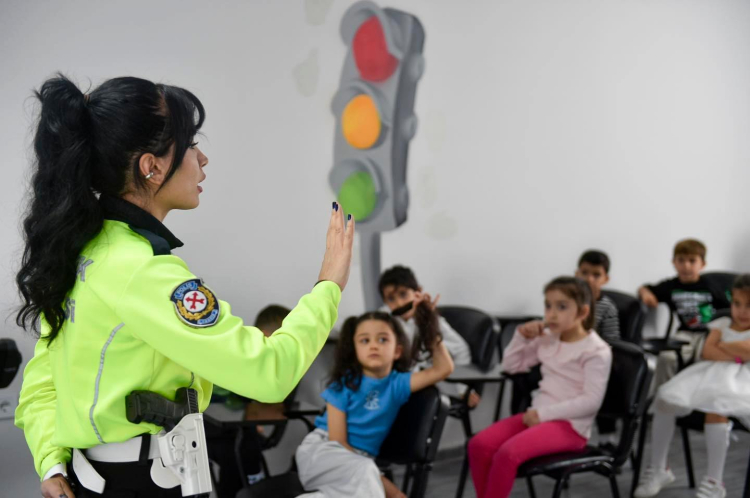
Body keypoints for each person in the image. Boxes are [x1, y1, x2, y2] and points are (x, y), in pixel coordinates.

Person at [13, 74, 355, 498]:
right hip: (143, 484)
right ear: (151, 167)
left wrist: (50, 460)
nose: (203, 158)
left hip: (95, 477)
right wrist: (329, 285)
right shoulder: (141, 271)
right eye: (191, 144)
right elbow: (269, 373)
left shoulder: (81, 250)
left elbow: (43, 378)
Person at [468, 277, 612, 498]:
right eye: (548, 305)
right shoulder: (549, 338)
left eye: (561, 307)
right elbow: (511, 366)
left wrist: (543, 414)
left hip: (571, 427)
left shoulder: (596, 351)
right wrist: (520, 337)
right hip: (537, 416)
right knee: (479, 445)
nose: (551, 314)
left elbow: (591, 402)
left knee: (507, 454)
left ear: (583, 312)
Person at [295, 311, 454, 498]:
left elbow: (444, 368)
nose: (373, 346)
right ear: (355, 350)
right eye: (364, 340)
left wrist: (430, 326)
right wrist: (394, 492)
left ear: (397, 350)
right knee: (367, 474)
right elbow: (338, 442)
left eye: (382, 339)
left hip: (357, 464)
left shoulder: (398, 384)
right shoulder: (343, 386)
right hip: (322, 452)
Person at [634, 274, 750, 498]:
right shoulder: (722, 323)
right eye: (737, 303)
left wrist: (725, 346)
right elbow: (708, 351)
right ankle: (659, 468)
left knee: (717, 408)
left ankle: (714, 482)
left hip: (742, 381)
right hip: (708, 373)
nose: (741, 311)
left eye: (749, 305)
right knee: (665, 399)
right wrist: (738, 353)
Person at [638, 239, 731, 389]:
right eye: (681, 260)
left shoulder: (711, 286)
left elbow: (729, 310)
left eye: (692, 261)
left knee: (705, 359)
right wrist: (645, 294)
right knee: (667, 358)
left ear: (702, 264)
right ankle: (660, 397)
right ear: (674, 262)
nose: (686, 266)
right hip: (685, 333)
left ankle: (695, 399)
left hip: (709, 335)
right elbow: (646, 288)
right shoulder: (671, 286)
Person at [378, 265, 477, 406]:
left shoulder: (433, 321)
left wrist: (462, 389)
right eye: (391, 299)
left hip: (432, 386)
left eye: (403, 294)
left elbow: (461, 350)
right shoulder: (383, 321)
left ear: (417, 292)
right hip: (399, 385)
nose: (399, 303)